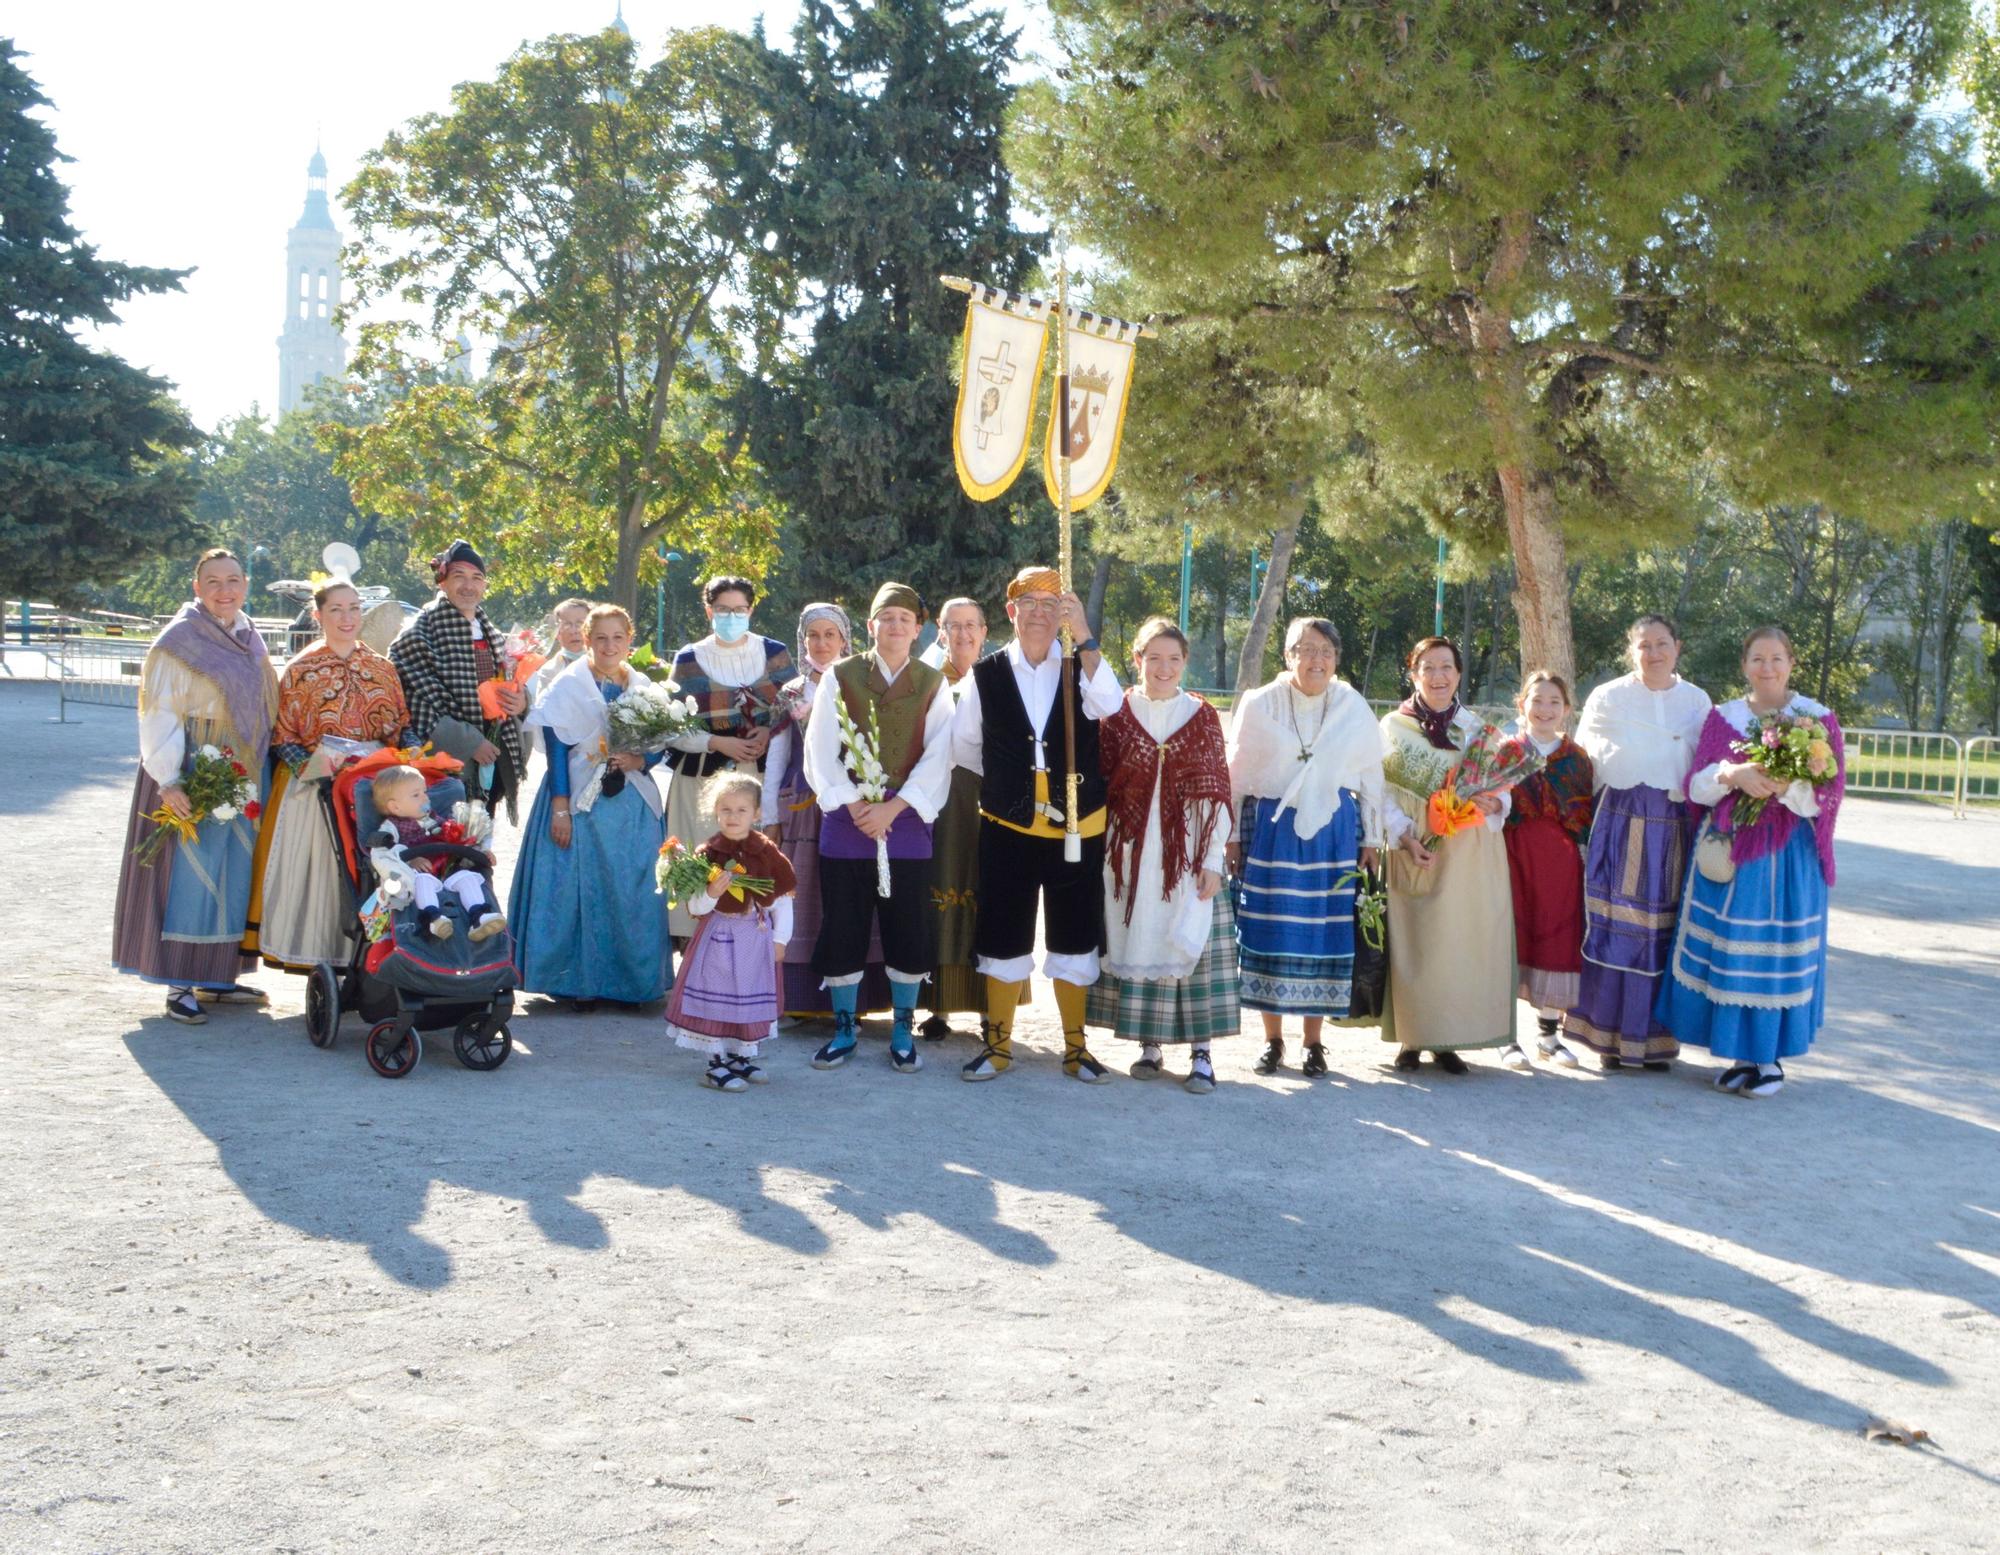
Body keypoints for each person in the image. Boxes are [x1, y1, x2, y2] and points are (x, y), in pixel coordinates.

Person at [947, 566, 1124, 1083]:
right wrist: (1014, 791)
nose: (1042, 614)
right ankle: (998, 1046)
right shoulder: (987, 675)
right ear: (1012, 612)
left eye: (1053, 605)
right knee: (1003, 934)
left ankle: (1076, 1047)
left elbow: (1111, 704)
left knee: (1074, 934)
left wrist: (1086, 637)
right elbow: (967, 748)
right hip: (1008, 827)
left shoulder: (1081, 666)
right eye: (1032, 604)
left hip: (1079, 825)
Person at [1658, 627, 1845, 1098]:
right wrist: (1732, 773)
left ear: (1791, 663)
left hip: (1787, 856)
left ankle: (1770, 1058)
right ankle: (1741, 1057)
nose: (1767, 667)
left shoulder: (1816, 718)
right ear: (1744, 665)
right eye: (1758, 658)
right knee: (1730, 949)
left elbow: (1829, 796)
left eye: (1776, 658)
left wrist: (1790, 787)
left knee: (1775, 951)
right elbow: (1697, 785)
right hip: (1731, 854)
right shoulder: (1725, 718)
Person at [112, 548, 280, 1024]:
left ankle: (217, 974)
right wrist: (168, 779)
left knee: (233, 872)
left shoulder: (250, 637)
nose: (225, 590)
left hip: (242, 767)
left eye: (233, 580)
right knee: (190, 872)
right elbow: (159, 712)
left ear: (246, 584)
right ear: (196, 588)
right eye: (213, 582)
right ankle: (178, 982)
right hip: (193, 763)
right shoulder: (179, 641)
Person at [802, 582, 955, 1073]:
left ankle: (903, 1030)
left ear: (917, 629)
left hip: (906, 823)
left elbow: (940, 755)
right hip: (848, 822)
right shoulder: (840, 675)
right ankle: (845, 1029)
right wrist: (855, 805)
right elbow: (821, 749)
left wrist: (894, 808)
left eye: (904, 620)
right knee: (843, 923)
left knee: (907, 926)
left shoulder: (934, 682)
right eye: (885, 617)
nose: (894, 626)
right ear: (870, 626)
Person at [1225, 617, 1383, 1078]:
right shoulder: (1261, 704)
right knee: (1269, 930)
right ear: (1288, 655)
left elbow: (1371, 774)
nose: (1317, 659)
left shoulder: (1351, 705)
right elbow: (1236, 776)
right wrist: (1232, 835)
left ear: (1336, 659)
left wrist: (1372, 838)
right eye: (1306, 650)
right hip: (1272, 829)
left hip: (1334, 832)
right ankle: (1273, 1042)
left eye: (1326, 651)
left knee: (1324, 932)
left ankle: (1314, 1044)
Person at [1087, 619, 1237, 1094]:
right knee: (1140, 936)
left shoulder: (1202, 715)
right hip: (1129, 848)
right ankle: (1149, 1045)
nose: (1164, 667)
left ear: (1185, 662)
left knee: (1184, 942)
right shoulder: (1118, 712)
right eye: (1153, 657)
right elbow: (1103, 779)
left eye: (1173, 658)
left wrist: (1213, 859)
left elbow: (1216, 792)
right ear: (1137, 660)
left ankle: (1202, 1054)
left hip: (1188, 850)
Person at [1563, 615, 1714, 1070]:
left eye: (1662, 644)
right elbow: (1591, 756)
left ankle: (1654, 1043)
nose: (1653, 653)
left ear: (1678, 647)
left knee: (1661, 933)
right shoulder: (1608, 696)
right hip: (1621, 820)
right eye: (1644, 645)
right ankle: (1609, 1038)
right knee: (1615, 928)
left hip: (1673, 824)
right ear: (1632, 652)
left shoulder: (1697, 701)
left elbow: (1703, 760)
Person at [511, 604, 672, 1008]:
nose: (609, 645)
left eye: (618, 637)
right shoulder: (567, 687)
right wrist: (560, 810)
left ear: (630, 640)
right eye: (600, 637)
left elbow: (660, 745)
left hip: (630, 805)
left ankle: (632, 983)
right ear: (586, 640)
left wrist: (641, 760)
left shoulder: (644, 687)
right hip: (579, 800)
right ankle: (578, 983)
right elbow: (557, 751)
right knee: (577, 888)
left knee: (632, 887)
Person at [257, 579, 414, 971]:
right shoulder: (301, 669)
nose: (347, 618)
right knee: (326, 877)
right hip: (320, 793)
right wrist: (315, 775)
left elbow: (401, 725)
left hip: (374, 791)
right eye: (336, 610)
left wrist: (414, 755)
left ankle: (373, 962)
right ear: (318, 615)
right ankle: (323, 963)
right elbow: (283, 736)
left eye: (354, 609)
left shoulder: (382, 667)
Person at [1378, 637, 1516, 1072]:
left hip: (1467, 850)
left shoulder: (1477, 729)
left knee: (1454, 941)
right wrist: (1403, 835)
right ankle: (1412, 1039)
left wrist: (1497, 804)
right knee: (1415, 940)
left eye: (1446, 668)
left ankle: (1447, 1039)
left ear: (1459, 674)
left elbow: (1501, 790)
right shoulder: (1392, 727)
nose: (1438, 677)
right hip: (1413, 842)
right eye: (1428, 668)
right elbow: (1377, 791)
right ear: (1414, 673)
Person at [763, 603, 882, 1020]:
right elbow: (776, 758)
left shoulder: (862, 684)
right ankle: (801, 1000)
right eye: (814, 635)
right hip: (801, 806)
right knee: (802, 896)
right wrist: (770, 816)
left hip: (851, 802)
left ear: (846, 640)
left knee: (847, 897)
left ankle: (852, 1000)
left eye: (831, 634)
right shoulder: (790, 693)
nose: (822, 642)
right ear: (803, 639)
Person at [661, 576, 795, 944]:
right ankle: (694, 954)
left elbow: (796, 711)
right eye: (723, 610)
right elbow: (671, 726)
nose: (731, 616)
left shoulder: (775, 654)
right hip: (701, 783)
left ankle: (754, 951)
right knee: (702, 865)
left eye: (739, 610)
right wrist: (717, 741)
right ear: (709, 611)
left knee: (753, 864)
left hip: (760, 781)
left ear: (751, 611)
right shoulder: (689, 659)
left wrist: (769, 731)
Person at [665, 773, 798, 1091]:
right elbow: (696, 908)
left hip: (755, 938)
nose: (733, 817)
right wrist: (711, 891)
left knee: (746, 995)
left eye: (742, 810)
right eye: (726, 809)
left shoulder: (768, 854)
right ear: (715, 812)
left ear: (757, 813)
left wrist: (781, 940)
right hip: (719, 942)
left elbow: (782, 901)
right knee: (717, 998)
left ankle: (740, 1056)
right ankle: (716, 1062)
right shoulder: (707, 854)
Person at [389, 539, 529, 819]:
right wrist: (469, 742)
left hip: (493, 754)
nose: (469, 586)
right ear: (442, 582)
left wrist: (521, 702)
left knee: (480, 836)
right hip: (447, 763)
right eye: (459, 576)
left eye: (477, 578)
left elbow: (510, 682)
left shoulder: (490, 632)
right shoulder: (419, 634)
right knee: (445, 841)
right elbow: (413, 705)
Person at [1499, 670, 1594, 1070]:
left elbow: (1584, 815)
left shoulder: (1577, 760)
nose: (1545, 709)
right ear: (1522, 705)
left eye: (1554, 701)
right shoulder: (1504, 752)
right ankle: (1505, 1037)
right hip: (1512, 854)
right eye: (1537, 700)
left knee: (1556, 938)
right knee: (1510, 935)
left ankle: (1548, 1035)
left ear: (1567, 710)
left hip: (1560, 861)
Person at [920, 595, 991, 1040]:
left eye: (971, 625)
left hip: (992, 800)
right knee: (939, 890)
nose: (963, 634)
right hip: (943, 802)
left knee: (991, 895)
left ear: (985, 631)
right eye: (954, 626)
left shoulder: (1000, 678)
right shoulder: (926, 681)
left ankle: (991, 1007)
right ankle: (939, 1006)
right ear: (940, 632)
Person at [368, 765, 506, 940]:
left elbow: (456, 841)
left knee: (467, 877)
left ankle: (479, 916)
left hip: (446, 874)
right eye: (416, 795)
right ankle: (433, 918)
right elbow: (385, 854)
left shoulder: (434, 820)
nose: (425, 797)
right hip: (418, 879)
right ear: (395, 807)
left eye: (425, 792)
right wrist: (410, 860)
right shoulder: (391, 827)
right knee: (423, 880)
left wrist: (479, 851)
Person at [526, 598, 592, 704]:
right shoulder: (549, 672)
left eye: (580, 623)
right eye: (567, 624)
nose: (574, 631)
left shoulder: (607, 664)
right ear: (557, 632)